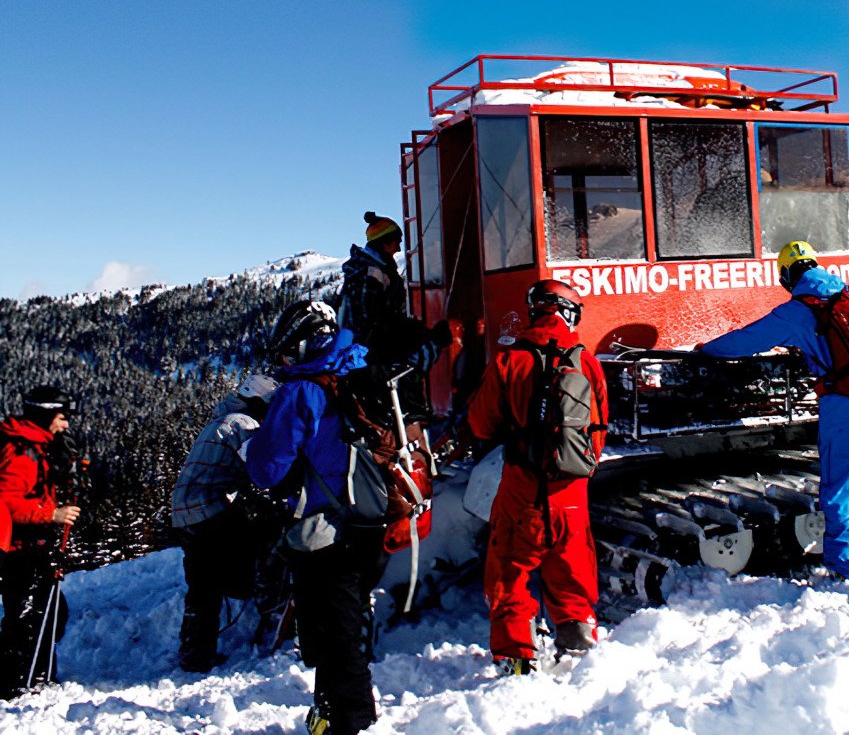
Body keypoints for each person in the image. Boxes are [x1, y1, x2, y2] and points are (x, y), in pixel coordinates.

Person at [698, 241, 849, 578]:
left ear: (786, 276)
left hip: (843, 403)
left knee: (840, 486)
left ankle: (842, 567)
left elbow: (747, 340)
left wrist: (706, 350)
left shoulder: (797, 311)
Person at [245, 301, 383, 735]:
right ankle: (331, 709)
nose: (284, 362)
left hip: (322, 530)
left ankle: (351, 719)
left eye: (287, 353)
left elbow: (266, 469)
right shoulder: (360, 372)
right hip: (371, 518)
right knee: (345, 619)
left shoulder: (299, 392)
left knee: (330, 630)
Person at [467, 279, 607, 675]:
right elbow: (598, 431)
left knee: (509, 570)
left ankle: (516, 655)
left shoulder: (509, 361)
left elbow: (480, 424)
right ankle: (578, 645)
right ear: (571, 314)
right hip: (572, 494)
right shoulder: (588, 362)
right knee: (572, 568)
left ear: (535, 311)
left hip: (522, 489)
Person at [171, 374, 289, 672]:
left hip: (187, 510)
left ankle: (194, 652)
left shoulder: (223, 419)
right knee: (261, 543)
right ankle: (269, 603)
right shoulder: (244, 424)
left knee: (202, 585)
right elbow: (263, 469)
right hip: (211, 507)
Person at [0, 386, 82, 696]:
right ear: (46, 415)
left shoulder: (36, 445)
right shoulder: (21, 449)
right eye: (61, 417)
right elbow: (6, 502)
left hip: (32, 545)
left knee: (49, 611)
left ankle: (35, 676)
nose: (65, 424)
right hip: (20, 548)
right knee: (28, 616)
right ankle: (19, 683)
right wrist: (52, 514)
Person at [340, 211, 451, 378]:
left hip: (362, 347)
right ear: (385, 243)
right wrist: (419, 333)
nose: (398, 248)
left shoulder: (366, 268)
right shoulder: (372, 274)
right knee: (428, 345)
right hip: (369, 353)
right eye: (396, 242)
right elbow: (373, 321)